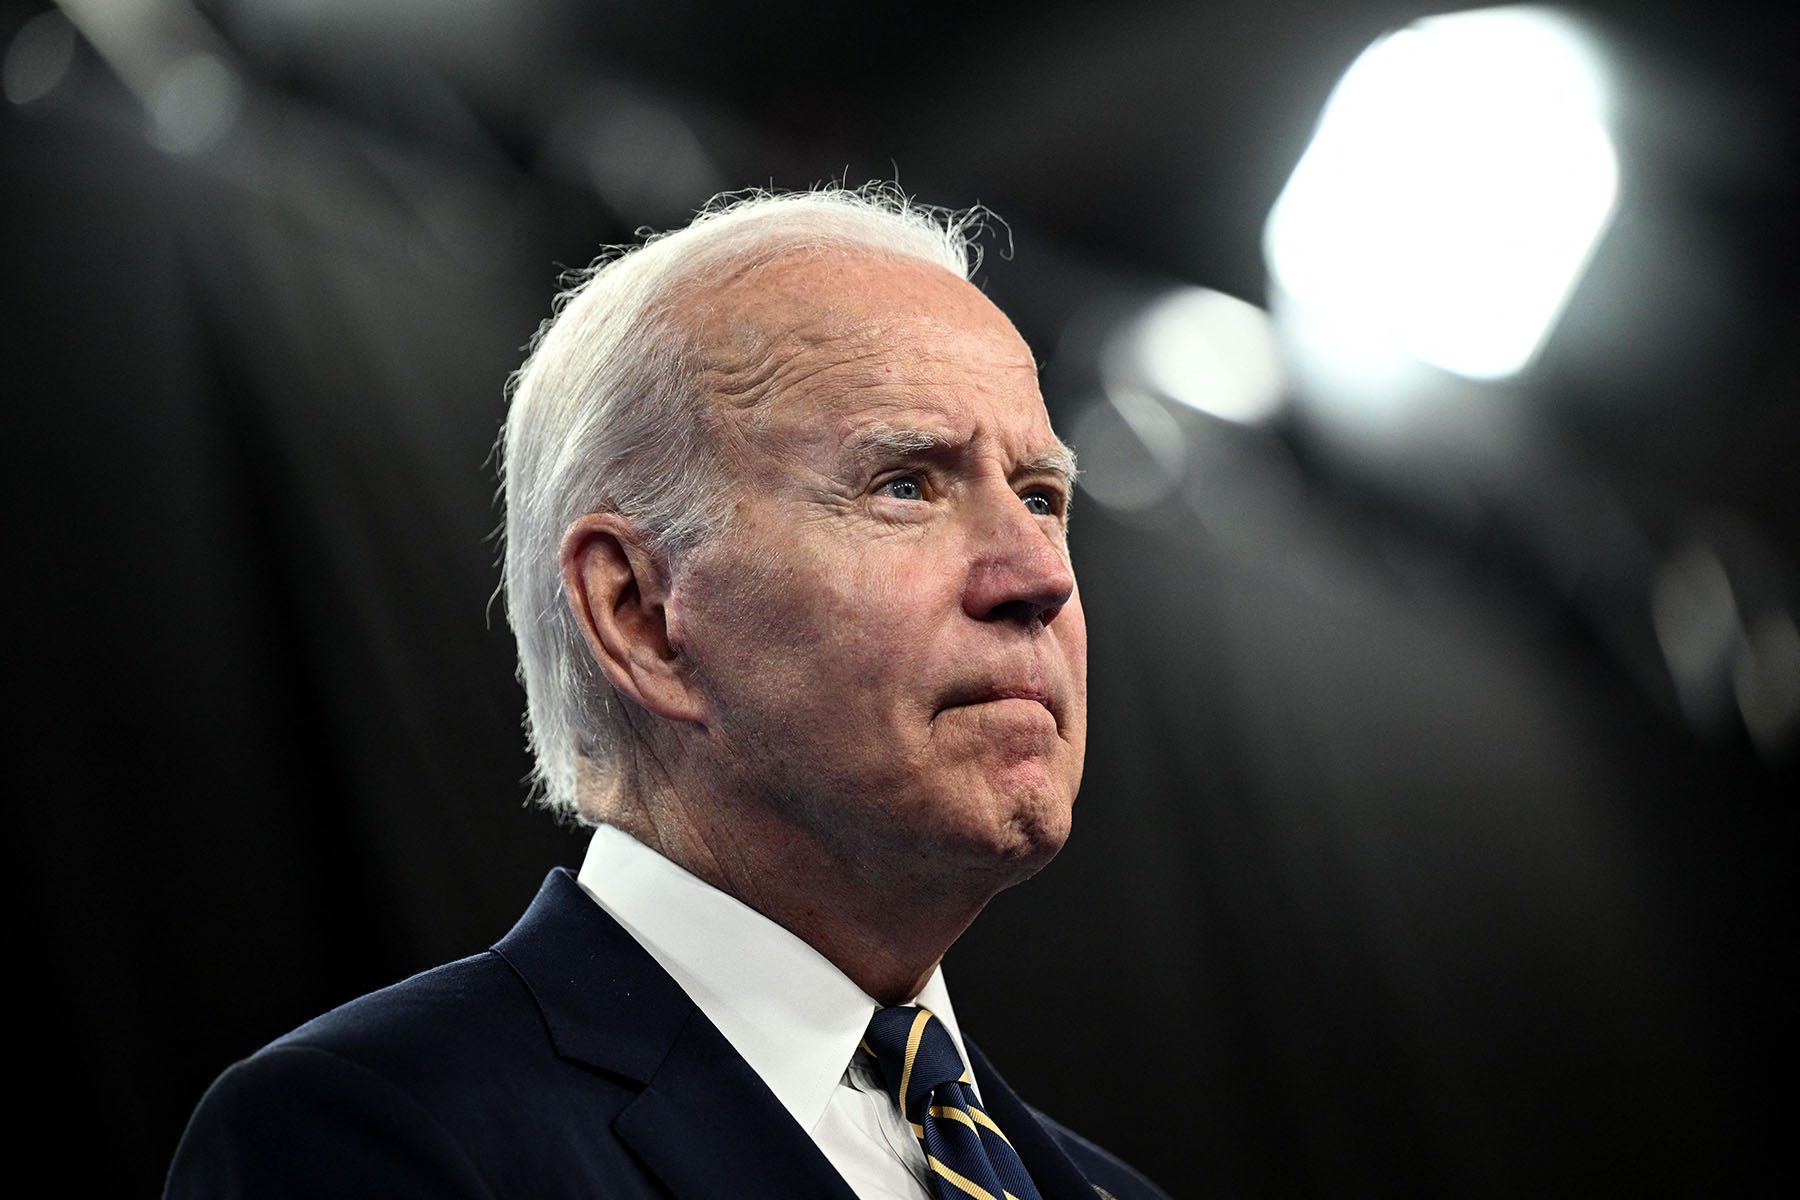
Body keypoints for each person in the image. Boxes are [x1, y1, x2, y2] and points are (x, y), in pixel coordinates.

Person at [166, 187, 1171, 1200]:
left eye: (1042, 497)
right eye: (905, 484)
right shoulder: (372, 1138)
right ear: (641, 613)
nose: (1038, 575)